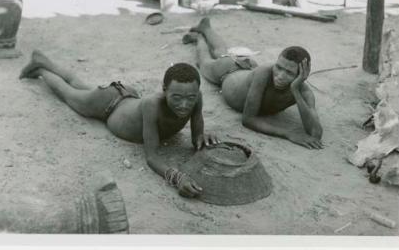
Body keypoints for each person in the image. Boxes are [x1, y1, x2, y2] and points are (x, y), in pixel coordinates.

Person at [19, 50, 219, 197]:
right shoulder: (152, 105)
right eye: (176, 97)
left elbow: (196, 138)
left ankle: (42, 60)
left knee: (81, 86)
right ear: (164, 90)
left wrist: (203, 136)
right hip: (108, 104)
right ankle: (42, 71)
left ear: (197, 93)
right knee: (68, 93)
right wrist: (176, 177)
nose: (184, 105)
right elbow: (151, 157)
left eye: (190, 98)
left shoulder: (195, 98)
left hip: (125, 97)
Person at [183, 17, 323, 150]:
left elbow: (315, 133)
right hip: (227, 71)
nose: (280, 76)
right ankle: (200, 37)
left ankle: (205, 28)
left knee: (221, 52)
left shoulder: (304, 91)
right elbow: (248, 119)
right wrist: (288, 133)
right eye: (278, 67)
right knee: (205, 62)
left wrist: (295, 89)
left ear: (302, 75)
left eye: (289, 73)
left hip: (246, 70)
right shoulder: (264, 73)